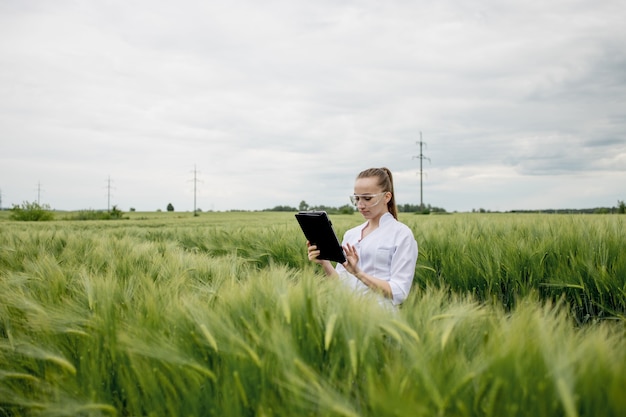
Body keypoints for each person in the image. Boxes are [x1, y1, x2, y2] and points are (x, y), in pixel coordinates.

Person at [307, 167, 418, 306]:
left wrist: (358, 273)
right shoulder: (351, 234)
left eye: (367, 198)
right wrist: (325, 263)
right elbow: (340, 284)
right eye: (357, 198)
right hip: (350, 318)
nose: (360, 205)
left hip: (382, 319)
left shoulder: (402, 235)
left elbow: (399, 292)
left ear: (387, 197)